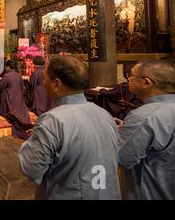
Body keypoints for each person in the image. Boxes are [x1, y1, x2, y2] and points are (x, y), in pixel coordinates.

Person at [18, 56, 120, 200]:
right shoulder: (104, 114)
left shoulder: (53, 121)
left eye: (45, 78)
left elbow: (31, 168)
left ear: (57, 84)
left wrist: (33, 139)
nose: (43, 82)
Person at [118, 59, 175, 200]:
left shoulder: (144, 116)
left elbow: (122, 158)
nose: (128, 79)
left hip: (152, 192)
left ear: (146, 82)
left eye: (130, 75)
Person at [0, 59, 31, 139]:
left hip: (9, 96)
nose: (5, 68)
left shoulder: (7, 75)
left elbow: (2, 86)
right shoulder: (18, 75)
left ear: (9, 67)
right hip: (18, 96)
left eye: (6, 67)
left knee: (4, 98)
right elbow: (22, 86)